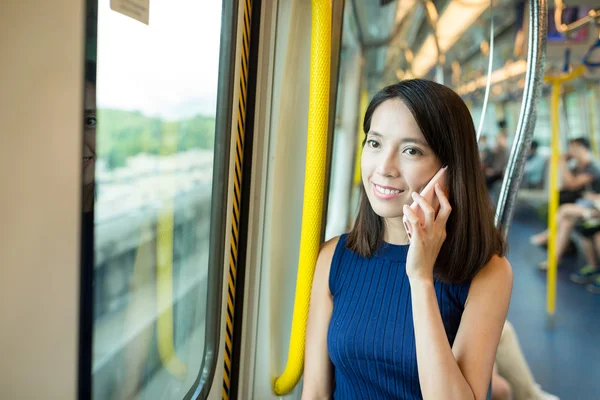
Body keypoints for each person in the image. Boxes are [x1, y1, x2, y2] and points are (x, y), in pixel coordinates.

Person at [302, 80, 513, 399]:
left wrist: (420, 278)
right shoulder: (334, 257)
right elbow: (316, 393)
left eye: (411, 150)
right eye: (374, 144)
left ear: (448, 169)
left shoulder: (488, 272)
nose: (384, 168)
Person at [530, 138, 600, 248]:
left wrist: (562, 164)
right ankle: (554, 258)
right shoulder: (577, 167)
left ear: (583, 149)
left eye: (574, 148)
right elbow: (566, 184)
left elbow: (572, 184)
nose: (571, 151)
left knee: (564, 210)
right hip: (582, 203)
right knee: (565, 222)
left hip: (593, 206)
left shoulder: (592, 168)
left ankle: (548, 235)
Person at [485, 123, 509, 188]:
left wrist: (493, 171)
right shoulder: (496, 150)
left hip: (498, 174)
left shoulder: (504, 151)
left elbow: (500, 166)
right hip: (494, 172)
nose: (498, 139)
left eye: (500, 138)